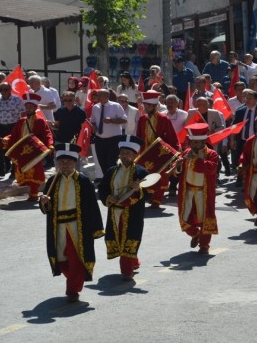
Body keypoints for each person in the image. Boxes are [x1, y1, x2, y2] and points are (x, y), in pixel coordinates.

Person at [40, 143, 104, 302]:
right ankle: (75, 279)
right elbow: (45, 207)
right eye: (62, 162)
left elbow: (92, 206)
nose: (65, 165)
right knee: (61, 258)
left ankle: (73, 290)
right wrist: (44, 202)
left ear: (75, 163)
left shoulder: (83, 181)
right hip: (59, 227)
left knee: (76, 258)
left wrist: (96, 228)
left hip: (77, 227)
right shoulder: (52, 182)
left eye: (69, 162)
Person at [98, 135, 148, 280]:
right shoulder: (111, 171)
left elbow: (150, 193)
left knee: (130, 239)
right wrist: (108, 197)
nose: (125, 156)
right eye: (123, 153)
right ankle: (134, 261)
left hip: (133, 213)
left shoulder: (141, 172)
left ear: (134, 155)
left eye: (128, 153)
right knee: (118, 239)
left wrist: (139, 189)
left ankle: (126, 272)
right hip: (114, 212)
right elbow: (102, 189)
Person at [170, 123, 219, 254]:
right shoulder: (186, 152)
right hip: (188, 190)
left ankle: (204, 245)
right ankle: (194, 233)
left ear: (203, 141)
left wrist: (196, 159)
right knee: (183, 216)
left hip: (203, 191)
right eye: (192, 142)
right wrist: (178, 166)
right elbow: (177, 171)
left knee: (204, 218)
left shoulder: (212, 154)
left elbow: (211, 168)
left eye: (197, 143)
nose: (193, 145)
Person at [7, 93, 56, 201]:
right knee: (23, 169)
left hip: (34, 151)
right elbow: (14, 135)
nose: (28, 109)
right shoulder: (21, 121)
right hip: (22, 150)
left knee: (35, 171)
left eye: (30, 107)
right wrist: (7, 139)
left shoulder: (40, 121)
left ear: (35, 108)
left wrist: (50, 144)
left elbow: (47, 134)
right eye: (27, 107)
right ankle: (30, 190)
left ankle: (34, 193)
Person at [136, 91, 181, 208]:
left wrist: (176, 152)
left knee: (159, 174)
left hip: (160, 153)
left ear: (155, 106)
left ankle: (157, 199)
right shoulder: (142, 119)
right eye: (145, 105)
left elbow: (172, 136)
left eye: (149, 105)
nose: (146, 107)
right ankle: (148, 196)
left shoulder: (164, 118)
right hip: (145, 152)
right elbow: (138, 136)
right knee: (145, 175)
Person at [0, 82, 25, 178]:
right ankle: (0, 171)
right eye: (1, 90)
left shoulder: (17, 100)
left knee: (14, 149)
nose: (4, 92)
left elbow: (24, 113)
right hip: (0, 126)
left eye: (6, 89)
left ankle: (14, 171)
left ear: (10, 90)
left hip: (13, 126)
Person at [90, 89, 128, 179]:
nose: (97, 98)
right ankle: (107, 181)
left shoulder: (116, 106)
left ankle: (114, 181)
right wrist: (93, 126)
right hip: (99, 139)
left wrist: (111, 120)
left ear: (107, 97)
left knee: (111, 162)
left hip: (113, 139)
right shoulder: (95, 107)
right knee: (102, 163)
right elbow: (93, 120)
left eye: (100, 95)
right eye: (97, 95)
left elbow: (124, 120)